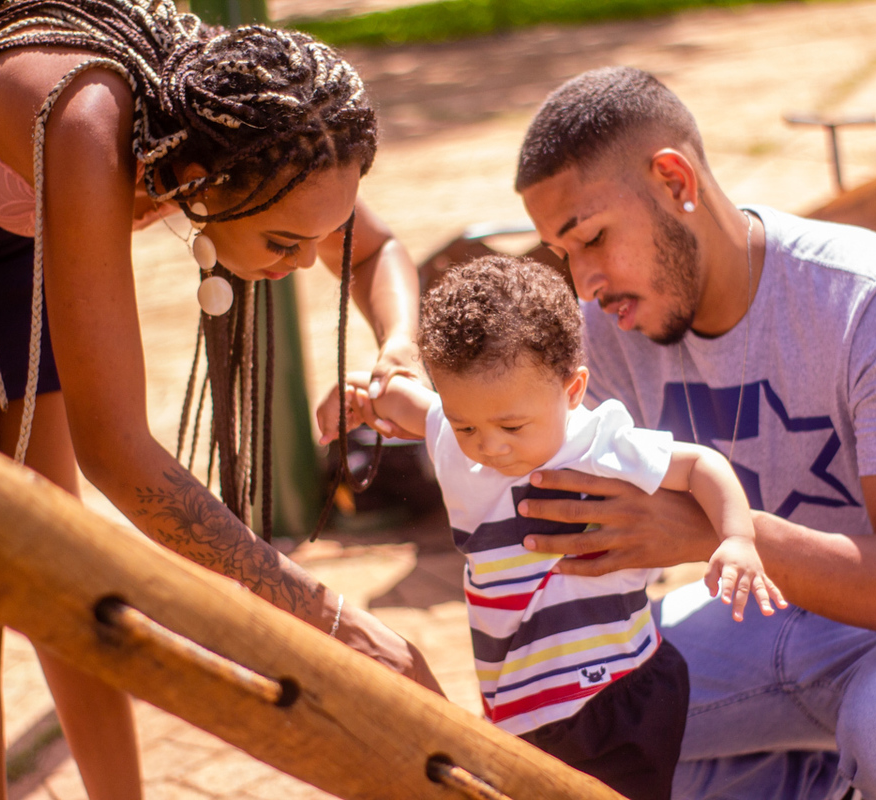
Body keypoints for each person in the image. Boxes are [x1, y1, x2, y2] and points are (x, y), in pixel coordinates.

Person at [0, 2, 439, 798]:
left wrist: (398, 348)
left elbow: (376, 252)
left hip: (6, 208)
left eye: (322, 232)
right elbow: (121, 456)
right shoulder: (85, 126)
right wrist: (333, 621)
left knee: (54, 536)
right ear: (191, 179)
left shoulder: (256, 106)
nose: (308, 260)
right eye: (285, 242)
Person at [510, 66, 876, 800]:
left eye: (590, 238)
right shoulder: (611, 328)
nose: (583, 280)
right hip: (778, 607)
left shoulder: (874, 302)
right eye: (563, 256)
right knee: (576, 717)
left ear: (674, 181)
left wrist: (708, 527)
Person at [317, 255, 785, 800]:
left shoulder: (596, 444)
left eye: (512, 426)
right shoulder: (452, 432)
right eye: (467, 423)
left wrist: (736, 538)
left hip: (615, 695)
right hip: (518, 707)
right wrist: (357, 397)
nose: (490, 444)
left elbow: (701, 465)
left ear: (571, 390)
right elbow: (401, 399)